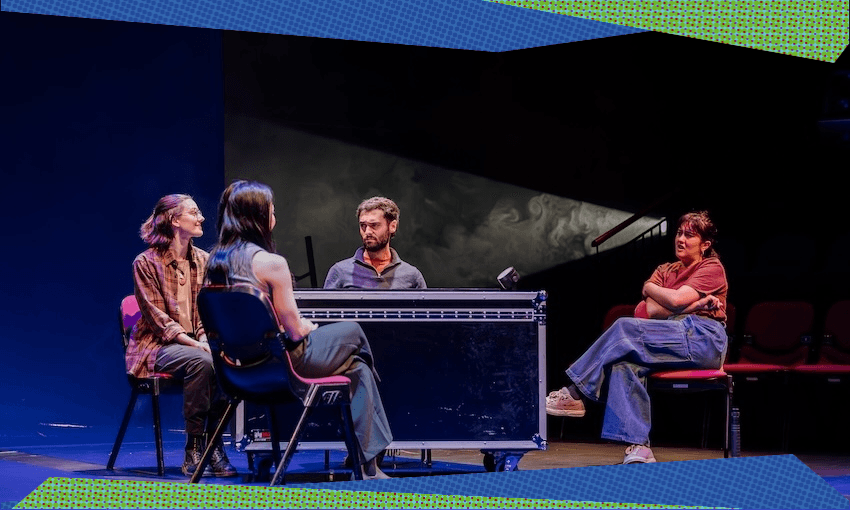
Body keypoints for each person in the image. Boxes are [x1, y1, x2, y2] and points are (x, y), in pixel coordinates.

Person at [206, 180, 393, 480]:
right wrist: (306, 325)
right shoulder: (271, 263)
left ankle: (368, 466)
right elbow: (294, 332)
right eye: (272, 209)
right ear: (257, 216)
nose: (275, 214)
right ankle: (370, 463)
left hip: (237, 369)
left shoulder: (215, 262)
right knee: (355, 332)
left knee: (358, 369)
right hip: (286, 364)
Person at [546, 210, 728, 464]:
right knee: (624, 364)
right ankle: (639, 447)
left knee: (623, 328)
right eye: (679, 233)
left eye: (689, 235)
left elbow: (672, 301)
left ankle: (576, 392)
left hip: (702, 338)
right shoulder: (665, 270)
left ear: (705, 245)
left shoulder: (711, 267)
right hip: (668, 336)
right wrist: (690, 303)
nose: (681, 239)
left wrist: (652, 289)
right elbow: (647, 310)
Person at [127, 194, 237, 477]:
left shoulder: (204, 260)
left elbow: (206, 312)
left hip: (196, 344)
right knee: (200, 362)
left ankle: (215, 443)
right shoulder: (146, 262)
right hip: (158, 347)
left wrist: (204, 340)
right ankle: (195, 445)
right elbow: (157, 319)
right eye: (194, 213)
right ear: (175, 220)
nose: (201, 218)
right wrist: (196, 345)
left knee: (225, 359)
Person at [324, 196, 426, 289]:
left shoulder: (411, 276)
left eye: (374, 225)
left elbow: (425, 309)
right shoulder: (341, 271)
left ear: (392, 226)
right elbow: (326, 308)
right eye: (363, 225)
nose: (367, 232)